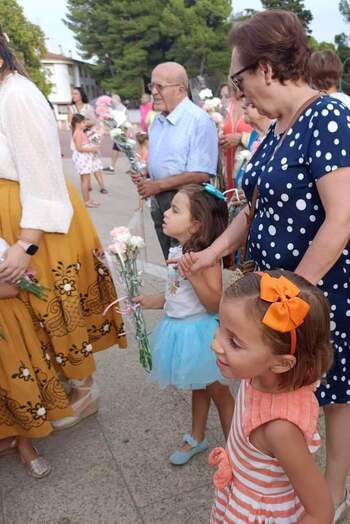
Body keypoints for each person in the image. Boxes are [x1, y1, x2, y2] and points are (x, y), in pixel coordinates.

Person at [175, 11, 350, 521]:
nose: (240, 92)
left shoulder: (328, 118)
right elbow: (253, 207)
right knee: (286, 391)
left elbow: (341, 219)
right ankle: (285, 480)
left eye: (240, 78)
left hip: (313, 293)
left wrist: (295, 291)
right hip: (276, 296)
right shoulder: (278, 127)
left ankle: (333, 491)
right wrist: (211, 252)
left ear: (267, 68)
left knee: (334, 393)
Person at [0, 33, 126, 443]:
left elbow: (41, 172)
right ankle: (65, 388)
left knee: (56, 304)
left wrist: (25, 242)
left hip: (37, 222)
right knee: (39, 310)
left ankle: (85, 392)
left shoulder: (18, 94)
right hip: (19, 216)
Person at [210, 270, 334, 523]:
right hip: (239, 496)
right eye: (220, 327)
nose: (216, 344)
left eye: (234, 341)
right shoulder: (257, 374)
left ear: (281, 364)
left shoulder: (280, 428)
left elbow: (321, 512)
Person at [133, 184, 234, 465]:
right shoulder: (178, 250)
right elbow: (173, 297)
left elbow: (214, 303)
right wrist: (145, 301)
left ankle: (236, 451)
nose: (165, 213)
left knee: (219, 393)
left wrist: (192, 274)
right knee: (198, 386)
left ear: (195, 225)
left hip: (201, 335)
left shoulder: (205, 258)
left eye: (175, 209)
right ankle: (197, 436)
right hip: (180, 331)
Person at [131, 61, 218, 260]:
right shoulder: (158, 121)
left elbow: (201, 173)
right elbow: (167, 161)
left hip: (187, 205)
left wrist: (158, 185)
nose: (153, 92)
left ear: (180, 90)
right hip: (161, 202)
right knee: (170, 264)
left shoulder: (198, 121)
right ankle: (172, 292)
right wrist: (145, 174)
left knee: (186, 267)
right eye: (151, 86)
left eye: (159, 86)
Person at [218, 84, 252, 190]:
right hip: (227, 166)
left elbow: (266, 135)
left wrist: (242, 138)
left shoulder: (254, 102)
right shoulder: (227, 106)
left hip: (246, 168)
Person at [71, 114, 106, 207]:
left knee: (85, 179)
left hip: (85, 157)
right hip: (82, 158)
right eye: (83, 122)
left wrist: (93, 146)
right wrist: (92, 149)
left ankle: (88, 199)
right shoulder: (78, 133)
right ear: (77, 123)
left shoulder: (81, 131)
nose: (85, 124)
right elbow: (79, 148)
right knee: (85, 180)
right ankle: (86, 201)